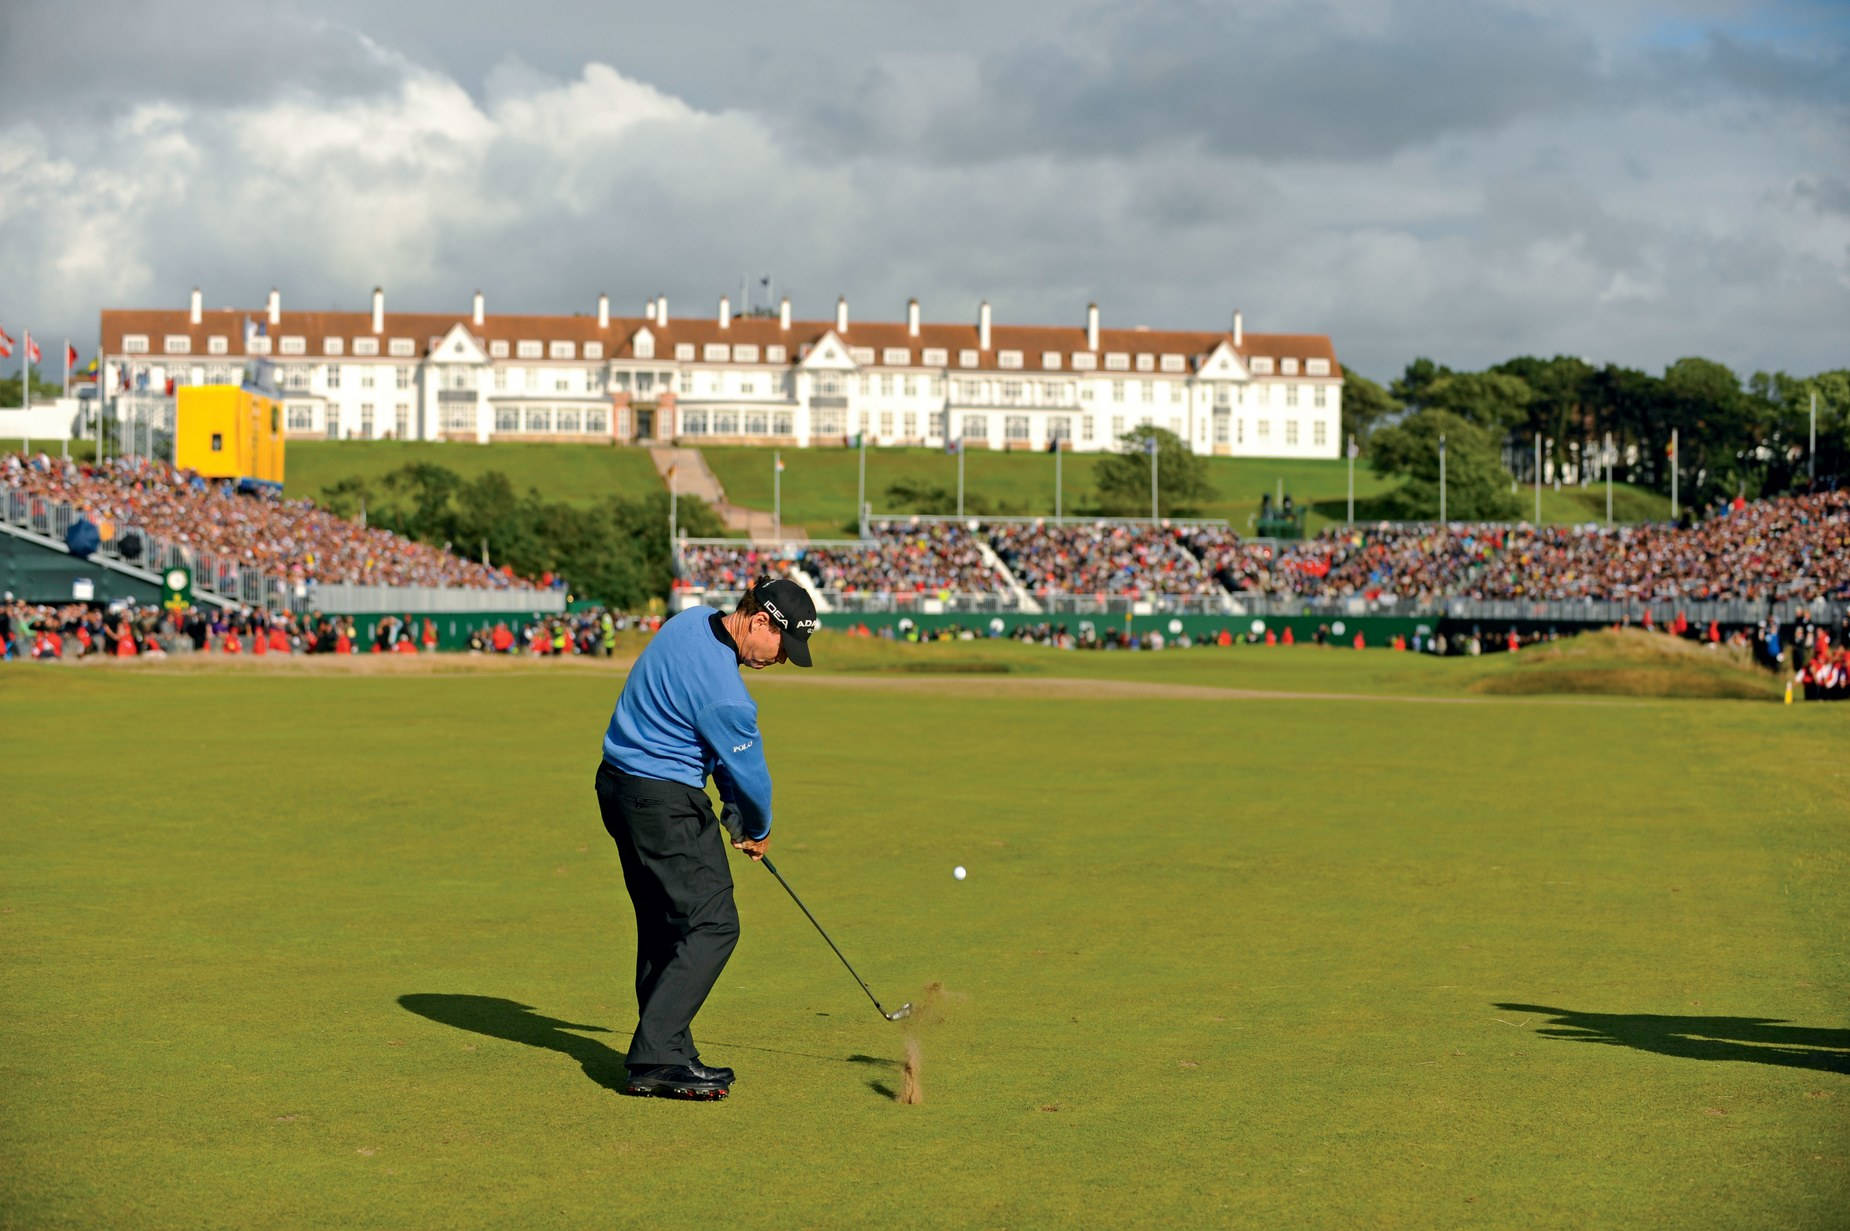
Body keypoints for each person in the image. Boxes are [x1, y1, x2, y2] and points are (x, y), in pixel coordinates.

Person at [593, 577, 817, 1101]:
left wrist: (730, 803)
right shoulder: (727, 695)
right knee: (714, 923)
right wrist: (756, 827)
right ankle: (655, 1056)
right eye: (784, 647)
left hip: (617, 787)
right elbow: (752, 779)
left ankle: (670, 1047)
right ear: (761, 621)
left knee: (665, 921)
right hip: (662, 803)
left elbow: (700, 740)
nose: (783, 659)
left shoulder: (689, 621)